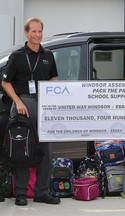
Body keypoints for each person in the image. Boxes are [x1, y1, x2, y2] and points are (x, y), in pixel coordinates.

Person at [1, 17, 60, 206]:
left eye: (40, 31)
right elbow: (5, 82)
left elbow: (53, 79)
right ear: (26, 33)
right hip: (23, 104)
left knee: (46, 151)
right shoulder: (18, 56)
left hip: (43, 105)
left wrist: (54, 97)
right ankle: (20, 193)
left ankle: (42, 192)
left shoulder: (48, 55)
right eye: (33, 31)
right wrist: (17, 101)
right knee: (21, 149)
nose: (37, 35)